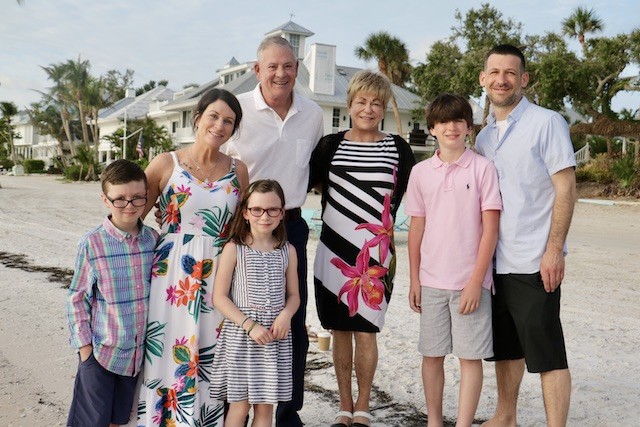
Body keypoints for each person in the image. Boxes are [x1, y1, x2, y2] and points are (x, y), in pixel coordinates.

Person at [221, 35, 323, 427]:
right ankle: (234, 405)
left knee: (291, 320)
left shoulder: (313, 114)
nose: (281, 73)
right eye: (272, 66)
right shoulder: (237, 109)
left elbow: (315, 169)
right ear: (257, 69)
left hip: (291, 225)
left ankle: (286, 411)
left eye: (289, 66)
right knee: (238, 312)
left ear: (298, 68)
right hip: (243, 223)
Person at [476, 44, 577, 427]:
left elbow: (565, 189)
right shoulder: (484, 137)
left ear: (524, 79)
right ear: (483, 79)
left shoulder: (547, 122)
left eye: (510, 73)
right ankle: (505, 416)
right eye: (495, 72)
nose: (502, 80)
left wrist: (554, 249)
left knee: (548, 352)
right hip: (494, 263)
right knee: (505, 348)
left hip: (534, 260)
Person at [136, 88, 249, 426]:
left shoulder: (239, 170)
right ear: (198, 118)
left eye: (228, 121)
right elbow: (133, 215)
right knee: (168, 349)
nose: (219, 125)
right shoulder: (165, 163)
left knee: (211, 355)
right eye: (213, 116)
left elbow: (243, 228)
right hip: (172, 275)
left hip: (219, 275)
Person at [309, 70, 415, 427]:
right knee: (339, 330)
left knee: (367, 330)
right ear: (350, 104)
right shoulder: (329, 145)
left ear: (383, 108)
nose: (368, 109)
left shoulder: (398, 148)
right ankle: (344, 405)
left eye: (376, 103)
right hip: (333, 251)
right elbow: (312, 183)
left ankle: (364, 405)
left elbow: (409, 193)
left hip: (376, 256)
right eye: (361, 102)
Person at [404, 94, 502, 427]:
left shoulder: (483, 168)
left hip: (470, 283)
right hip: (431, 281)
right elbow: (416, 228)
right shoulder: (420, 173)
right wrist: (415, 279)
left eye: (459, 120)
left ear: (469, 127)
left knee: (470, 359)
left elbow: (490, 229)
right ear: (432, 128)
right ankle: (434, 421)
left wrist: (476, 282)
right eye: (444, 121)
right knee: (431, 356)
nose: (452, 127)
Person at [66, 159, 159, 427]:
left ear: (146, 196)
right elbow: (77, 298)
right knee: (91, 422)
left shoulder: (153, 240)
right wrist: (85, 350)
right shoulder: (92, 243)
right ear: (105, 200)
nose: (130, 206)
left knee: (119, 420)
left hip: (136, 357)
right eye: (120, 199)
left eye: (137, 198)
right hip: (101, 354)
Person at [209, 179, 300, 427]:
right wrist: (250, 325)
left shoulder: (288, 251)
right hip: (242, 336)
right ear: (246, 213)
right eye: (257, 209)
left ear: (282, 213)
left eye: (272, 210)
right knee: (239, 407)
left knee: (265, 408)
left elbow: (294, 296)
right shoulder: (234, 249)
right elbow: (219, 297)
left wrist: (285, 316)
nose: (265, 216)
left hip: (274, 338)